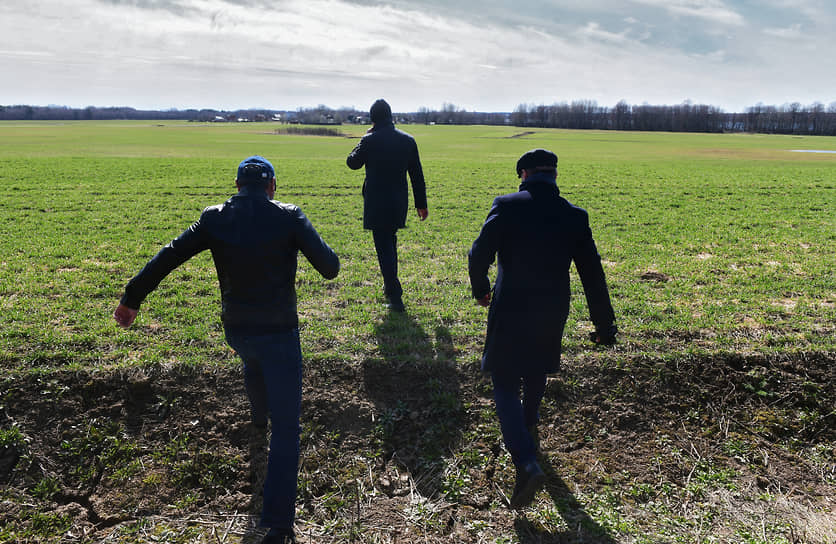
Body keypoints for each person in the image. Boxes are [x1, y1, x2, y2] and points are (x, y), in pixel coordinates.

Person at [113, 156, 339, 544]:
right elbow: (330, 267)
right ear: (272, 187)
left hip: (236, 327)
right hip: (280, 331)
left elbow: (169, 254)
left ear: (237, 185)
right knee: (288, 427)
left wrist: (131, 298)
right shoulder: (290, 216)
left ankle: (257, 420)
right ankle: (279, 523)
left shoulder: (214, 217)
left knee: (253, 362)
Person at [468, 148, 617, 509]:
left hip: (511, 305)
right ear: (554, 175)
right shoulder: (574, 216)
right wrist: (604, 324)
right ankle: (529, 429)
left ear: (523, 174)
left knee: (503, 381)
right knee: (535, 370)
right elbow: (592, 274)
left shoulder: (506, 205)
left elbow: (478, 253)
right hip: (552, 308)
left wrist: (481, 289)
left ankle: (526, 461)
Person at [346, 98, 428, 312]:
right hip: (398, 202)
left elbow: (352, 163)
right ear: (391, 116)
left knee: (384, 247)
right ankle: (390, 287)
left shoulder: (369, 139)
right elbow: (416, 175)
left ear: (373, 119)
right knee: (389, 243)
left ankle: (394, 296)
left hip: (375, 202)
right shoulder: (408, 140)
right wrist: (421, 204)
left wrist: (363, 138)